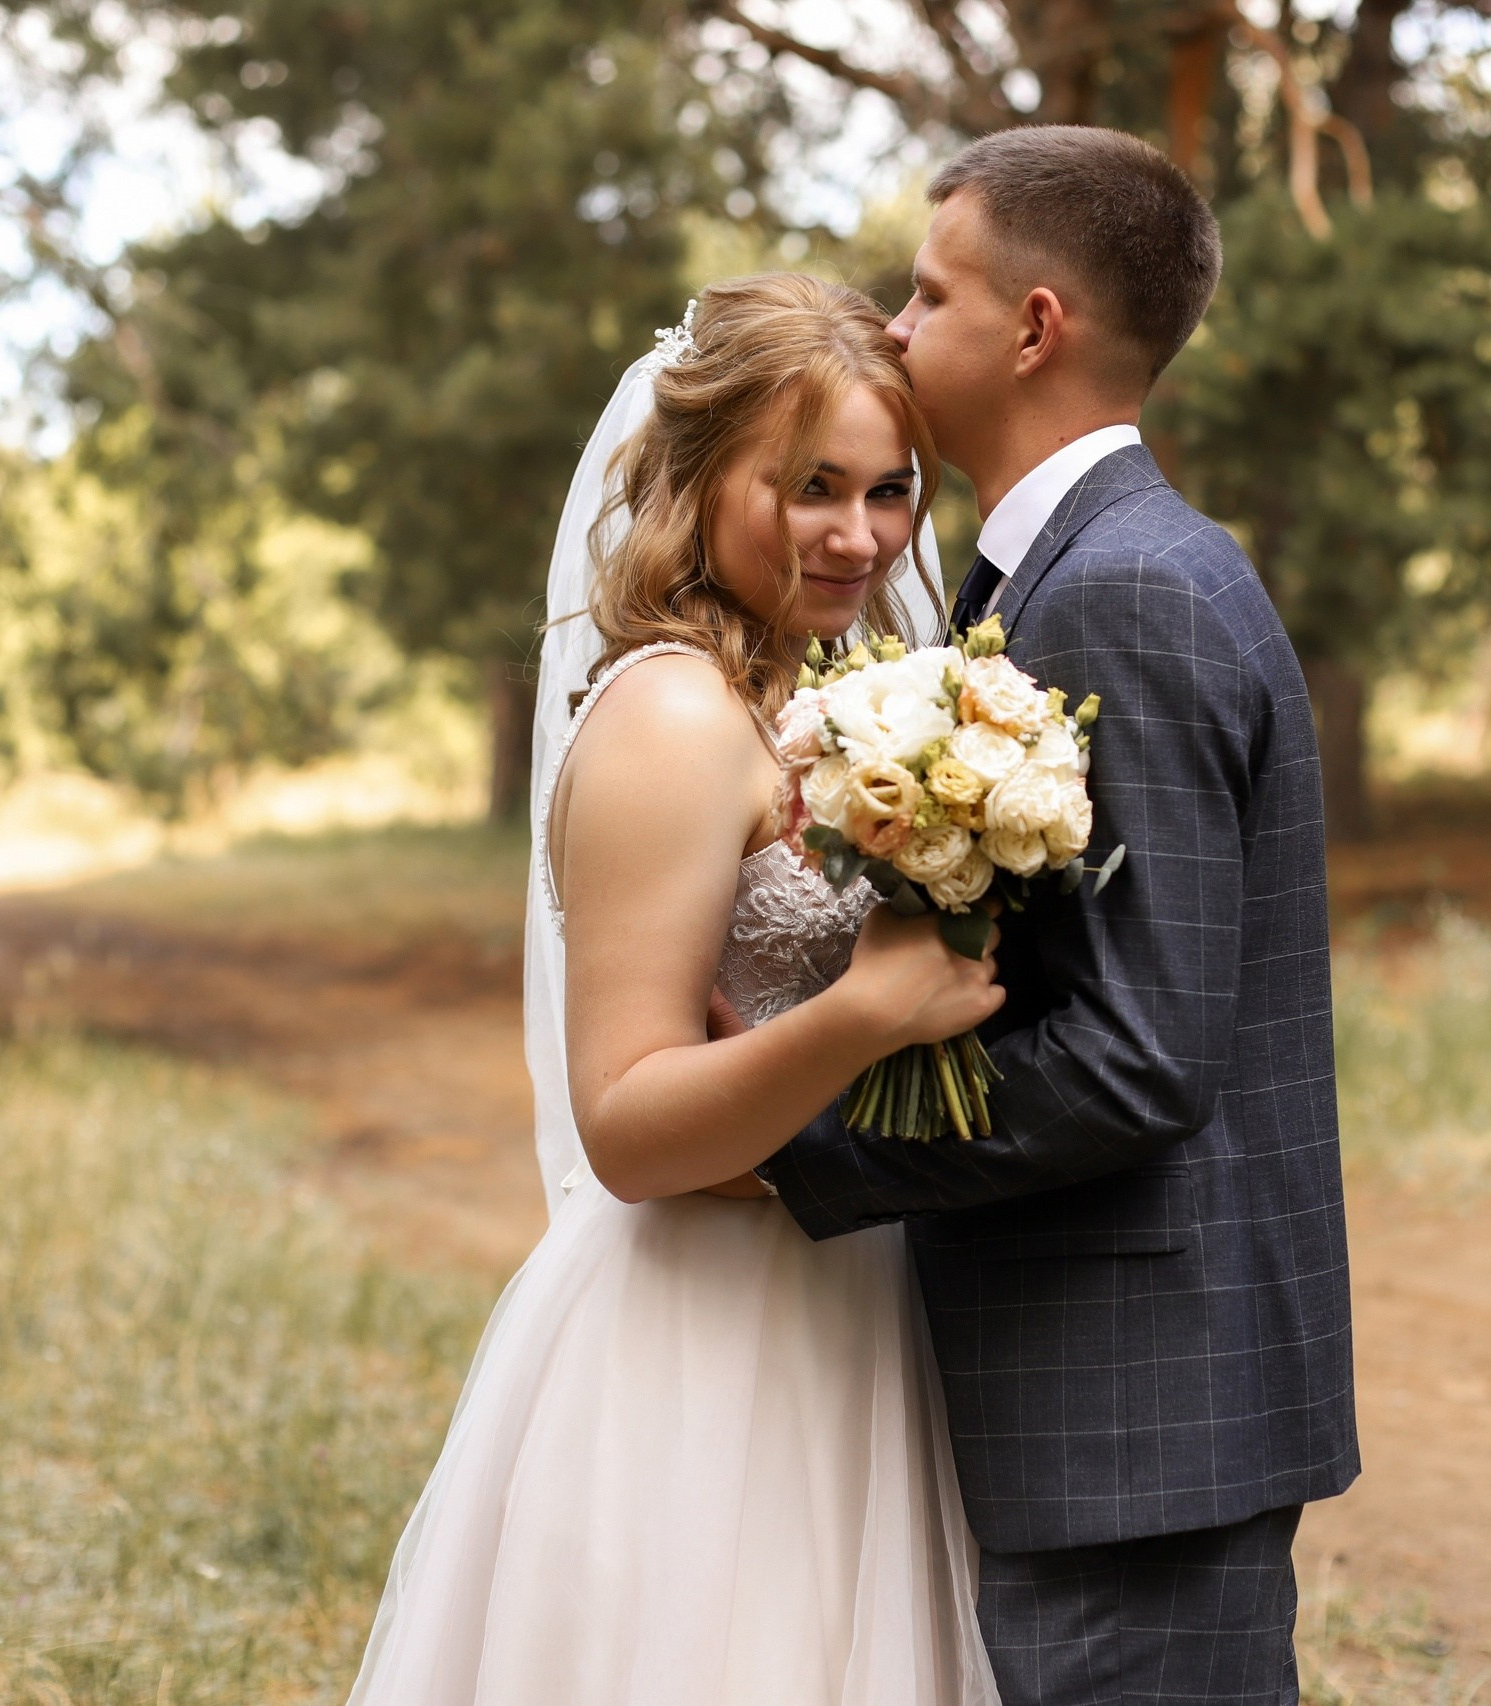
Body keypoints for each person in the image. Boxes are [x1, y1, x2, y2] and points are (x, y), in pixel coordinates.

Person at [756, 126, 1359, 1706]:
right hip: (1118, 1401)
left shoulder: (1125, 592)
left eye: (926, 290)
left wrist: (795, 1137)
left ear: (1033, 328)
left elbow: (1139, 1056)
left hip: (1136, 1409)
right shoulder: (1074, 574)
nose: (891, 326)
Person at [342, 274, 1006, 1703]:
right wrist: (862, 1014)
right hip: (704, 1340)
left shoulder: (817, 698)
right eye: (809, 485)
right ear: (702, 478)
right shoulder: (673, 714)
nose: (859, 534)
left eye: (890, 490)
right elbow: (629, 1127)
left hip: (843, 1294)